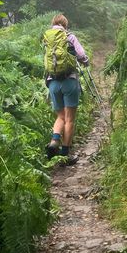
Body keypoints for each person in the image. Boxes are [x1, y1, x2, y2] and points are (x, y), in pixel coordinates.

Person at [43, 13, 88, 165]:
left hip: (53, 82)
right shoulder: (69, 36)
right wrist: (85, 61)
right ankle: (65, 154)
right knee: (69, 119)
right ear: (65, 25)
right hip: (69, 81)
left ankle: (54, 140)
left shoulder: (47, 38)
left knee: (60, 116)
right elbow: (81, 54)